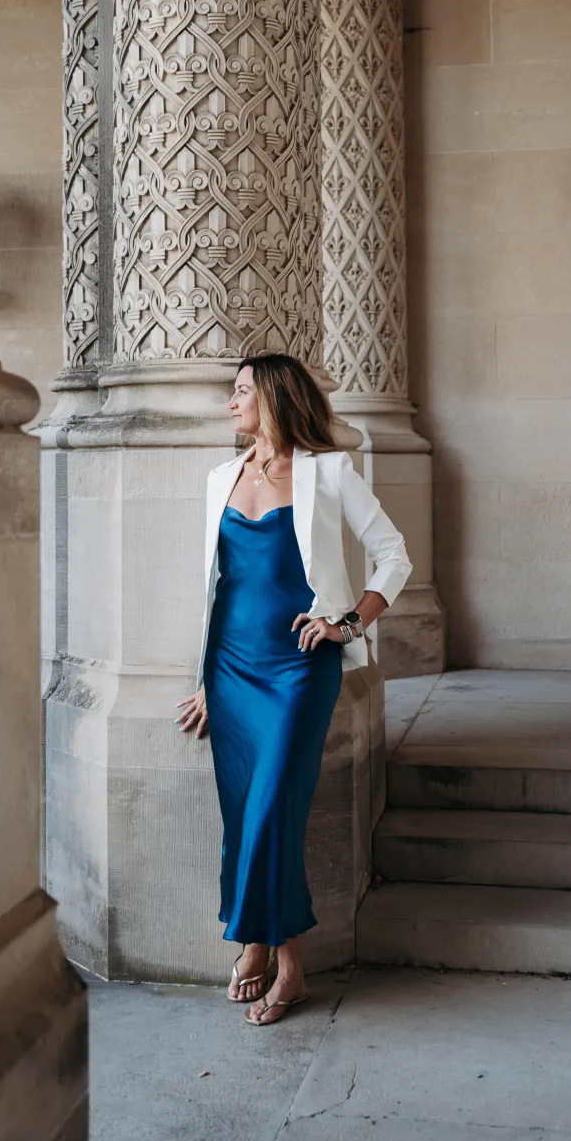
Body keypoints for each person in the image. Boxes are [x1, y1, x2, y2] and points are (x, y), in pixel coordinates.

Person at [177, 353, 411, 1025]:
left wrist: (345, 623)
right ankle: (259, 945)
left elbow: (394, 554)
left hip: (298, 669)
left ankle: (285, 961)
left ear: (274, 398)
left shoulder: (328, 471)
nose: (230, 402)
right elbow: (216, 589)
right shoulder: (222, 476)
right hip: (230, 669)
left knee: (273, 809)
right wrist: (203, 684)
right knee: (242, 814)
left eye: (242, 391)